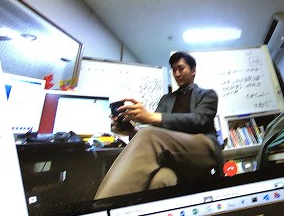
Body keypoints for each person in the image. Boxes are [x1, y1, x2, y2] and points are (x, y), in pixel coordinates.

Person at [94, 52, 220, 199]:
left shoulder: (208, 95)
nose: (177, 74)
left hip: (204, 149)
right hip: (173, 157)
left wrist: (151, 117)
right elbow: (157, 131)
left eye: (181, 68)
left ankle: (106, 207)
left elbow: (199, 120)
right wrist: (131, 131)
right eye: (174, 70)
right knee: (160, 180)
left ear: (193, 70)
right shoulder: (166, 99)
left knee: (148, 135)